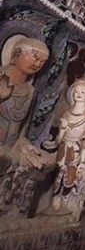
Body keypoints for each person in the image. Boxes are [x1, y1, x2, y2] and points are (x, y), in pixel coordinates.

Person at [46, 79, 85, 215]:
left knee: (70, 175)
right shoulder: (66, 114)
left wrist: (82, 161)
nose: (79, 94)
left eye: (83, 92)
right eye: (76, 92)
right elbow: (59, 140)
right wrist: (62, 129)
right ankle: (54, 201)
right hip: (63, 147)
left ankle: (65, 202)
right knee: (58, 174)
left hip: (76, 149)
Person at [0, 37, 53, 168]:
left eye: (42, 62)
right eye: (35, 57)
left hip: (11, 148)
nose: (38, 64)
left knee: (49, 161)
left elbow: (21, 131)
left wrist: (24, 145)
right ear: (16, 54)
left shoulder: (30, 91)